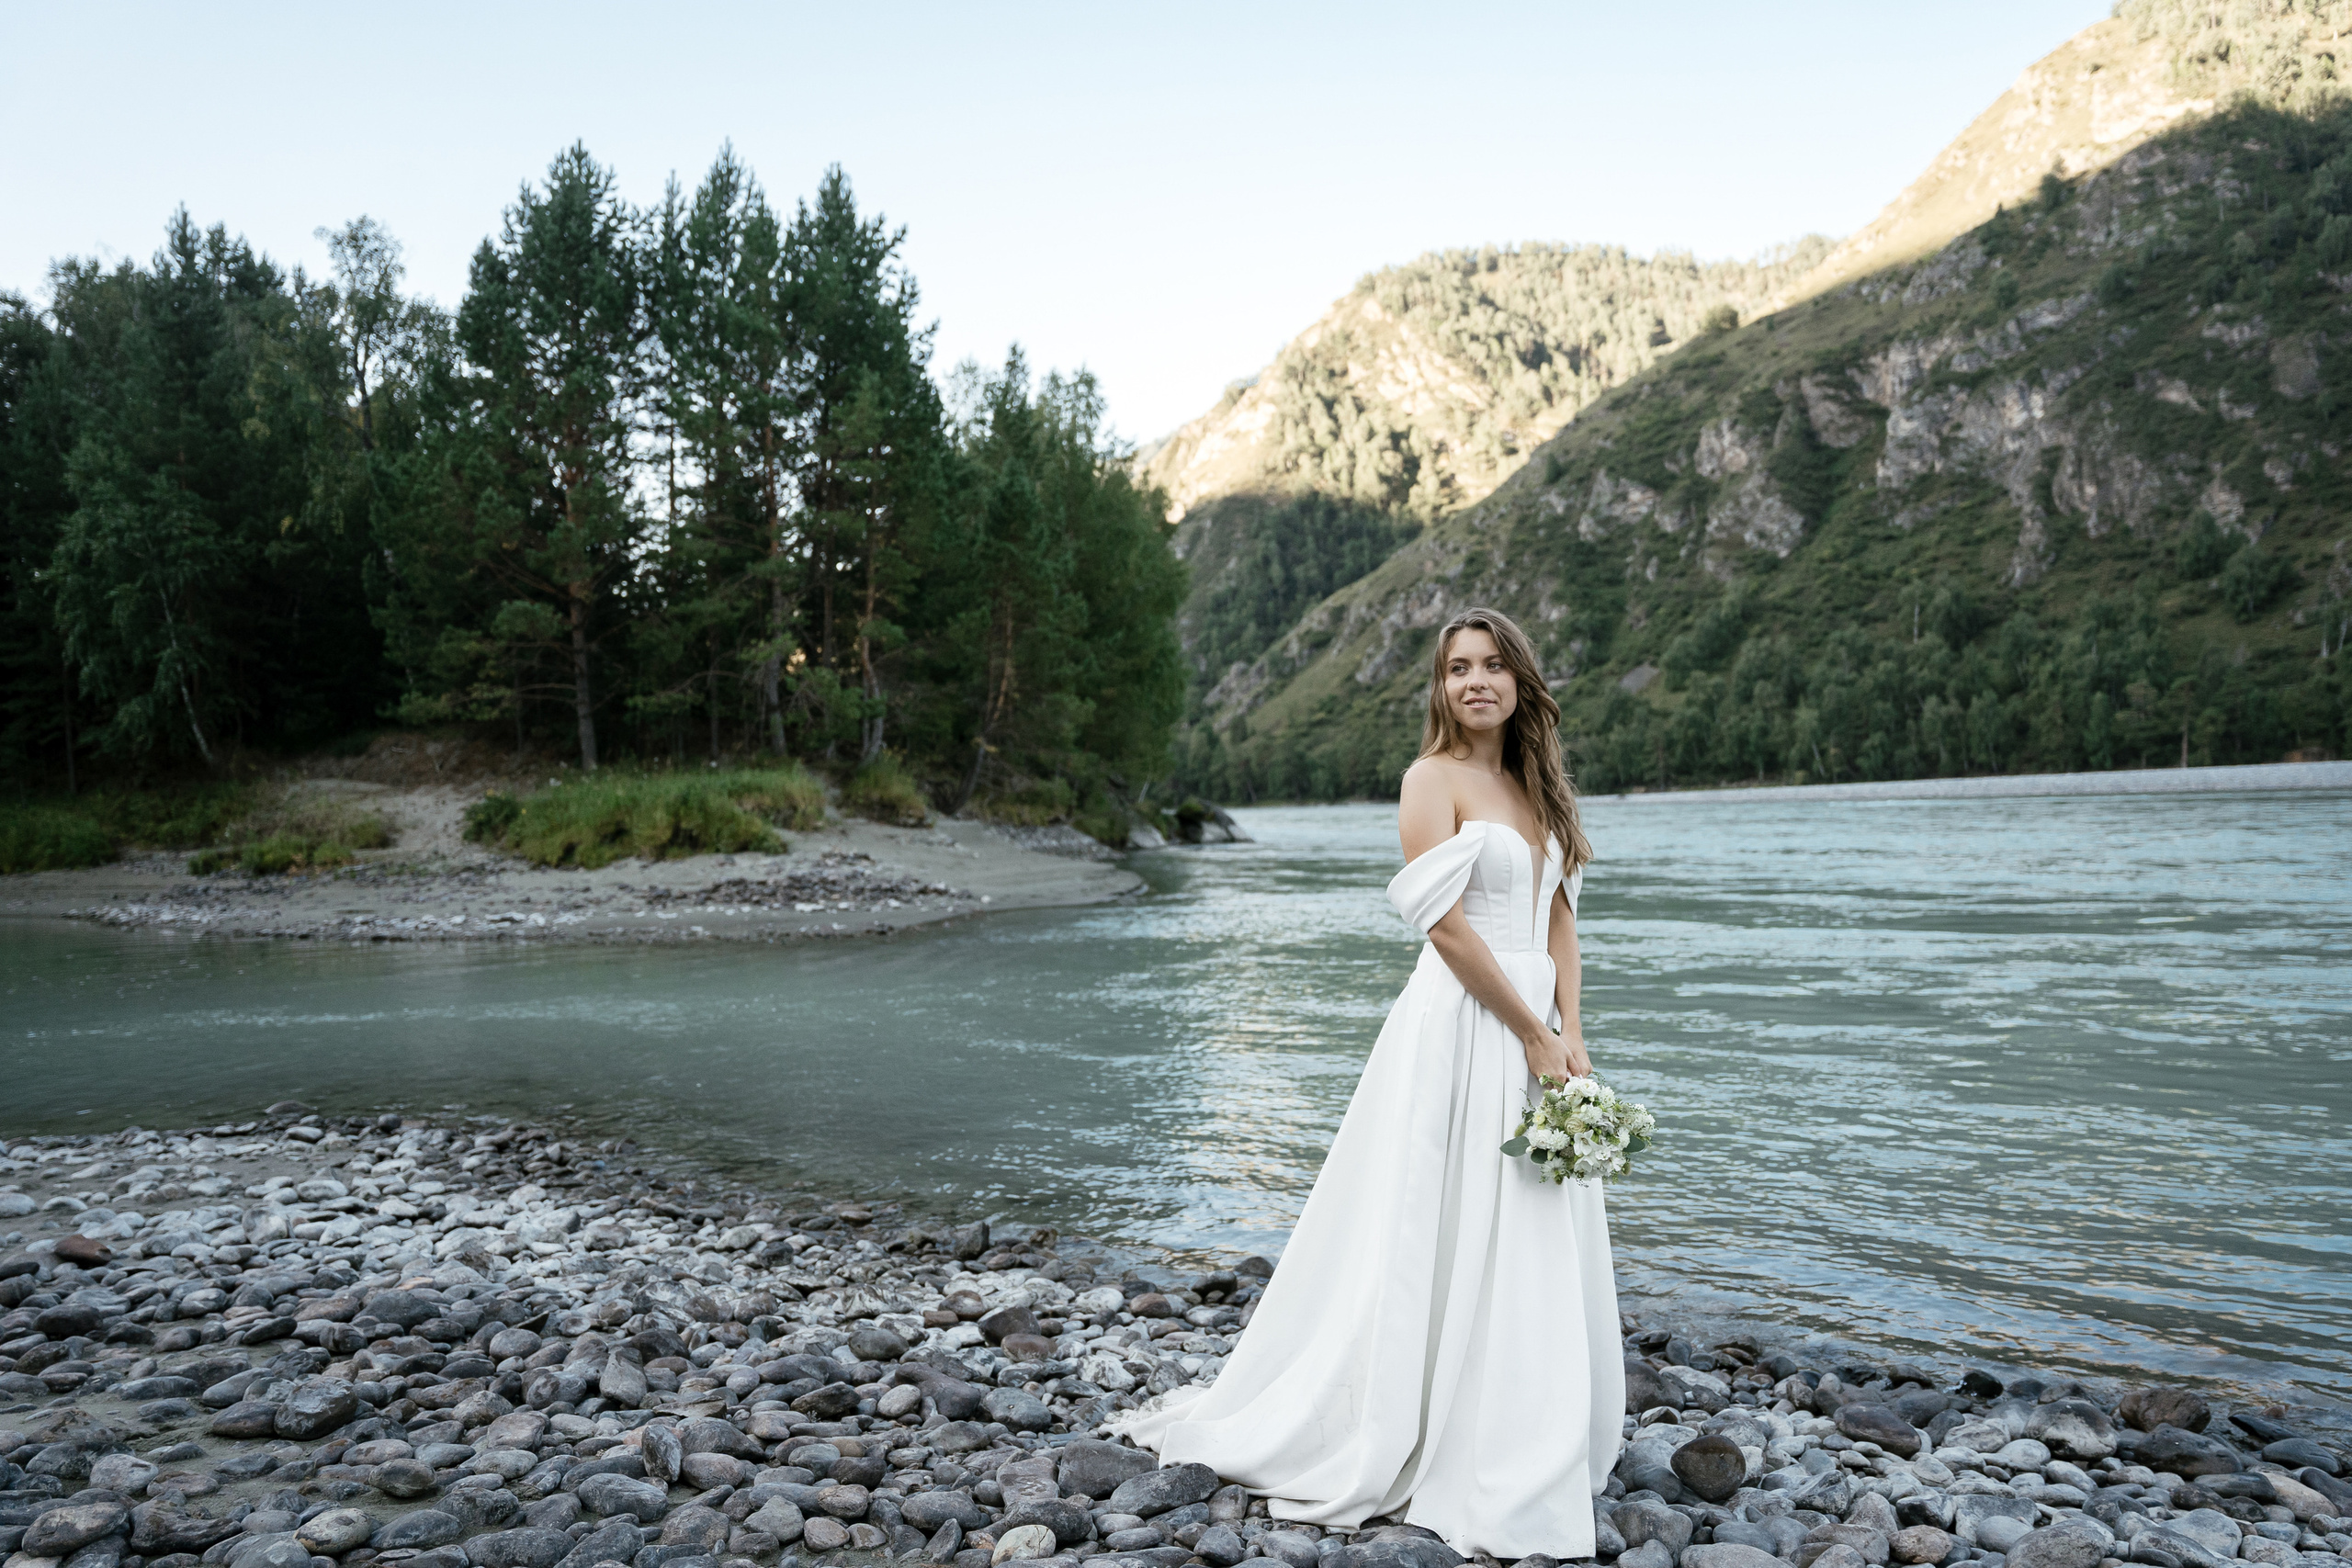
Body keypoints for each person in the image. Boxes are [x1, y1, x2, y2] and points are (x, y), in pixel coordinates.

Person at [1115, 606, 1623, 1558]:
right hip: (1464, 1022)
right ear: (1441, 688)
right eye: (1456, 668)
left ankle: (1521, 1415)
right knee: (1442, 1212)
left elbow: (1559, 919)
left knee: (1527, 1213)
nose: (1474, 682)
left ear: (1521, 681)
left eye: (1491, 666)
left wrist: (1570, 1032)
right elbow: (1444, 926)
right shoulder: (1430, 779)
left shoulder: (1536, 784)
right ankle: (1415, 1419)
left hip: (1538, 1028)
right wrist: (1525, 1029)